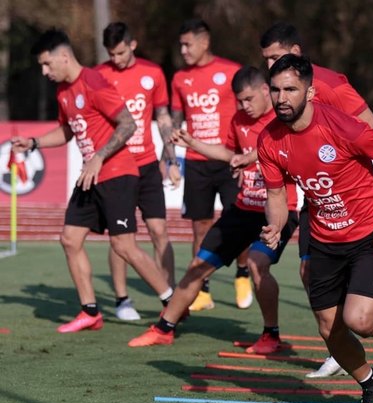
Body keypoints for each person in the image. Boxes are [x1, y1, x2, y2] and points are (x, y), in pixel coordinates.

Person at [258, 54, 373, 403]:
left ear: (310, 92)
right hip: (324, 238)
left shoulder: (341, 127)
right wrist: (276, 225)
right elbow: (277, 197)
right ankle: (372, 386)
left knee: (359, 319)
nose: (282, 98)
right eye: (276, 90)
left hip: (369, 233)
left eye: (290, 90)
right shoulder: (268, 140)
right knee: (330, 328)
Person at [11, 29, 173, 332]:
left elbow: (129, 124)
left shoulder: (94, 81)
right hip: (91, 176)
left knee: (124, 246)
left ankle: (172, 302)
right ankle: (90, 312)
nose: (45, 72)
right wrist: (33, 143)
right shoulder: (62, 91)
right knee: (69, 239)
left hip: (117, 173)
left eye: (47, 65)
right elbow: (67, 131)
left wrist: (98, 156)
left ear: (64, 56)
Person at [127, 65, 299, 352]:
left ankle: (271, 335)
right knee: (198, 264)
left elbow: (283, 149)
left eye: (248, 99)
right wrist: (193, 143)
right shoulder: (239, 119)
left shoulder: (284, 119)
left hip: (279, 210)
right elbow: (229, 153)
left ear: (265, 91)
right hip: (243, 208)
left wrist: (251, 158)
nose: (243, 106)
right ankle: (164, 328)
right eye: (239, 101)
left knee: (258, 265)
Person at [260, 22, 373, 378]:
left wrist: (335, 166)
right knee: (308, 271)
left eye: (276, 57)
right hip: (316, 197)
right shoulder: (280, 92)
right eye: (265, 60)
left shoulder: (328, 84)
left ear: (296, 53)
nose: (270, 67)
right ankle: (338, 344)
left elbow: (369, 125)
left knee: (334, 287)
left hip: (346, 196)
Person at [96, 22, 180, 320]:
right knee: (122, 237)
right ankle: (122, 300)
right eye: (111, 53)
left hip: (146, 165)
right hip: (116, 167)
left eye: (120, 52)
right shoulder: (99, 75)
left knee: (160, 231)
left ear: (132, 45)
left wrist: (170, 159)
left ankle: (171, 298)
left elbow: (163, 117)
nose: (116, 59)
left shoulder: (153, 72)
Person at [171, 18, 252, 311]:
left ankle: (242, 275)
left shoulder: (230, 71)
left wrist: (246, 156)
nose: (183, 50)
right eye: (181, 44)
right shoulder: (179, 78)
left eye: (187, 44)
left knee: (239, 223)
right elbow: (176, 121)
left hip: (229, 159)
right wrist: (169, 159)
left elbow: (248, 111)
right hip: (195, 162)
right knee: (200, 226)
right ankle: (202, 290)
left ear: (204, 42)